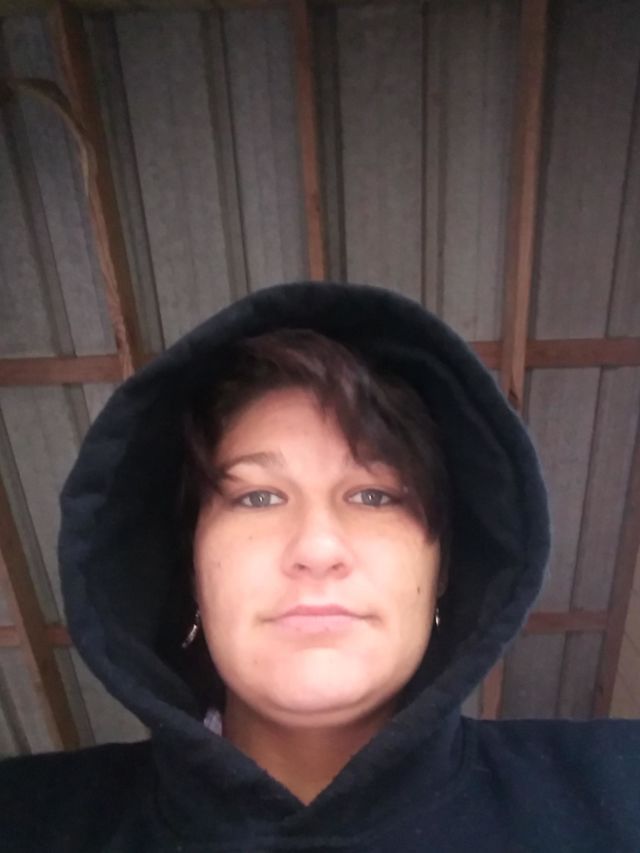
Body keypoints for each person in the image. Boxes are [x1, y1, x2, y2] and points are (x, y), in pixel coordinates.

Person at [0, 281, 638, 852]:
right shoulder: (29, 818)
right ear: (192, 571)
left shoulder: (616, 791)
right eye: (257, 497)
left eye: (374, 496)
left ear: (444, 570)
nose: (317, 547)